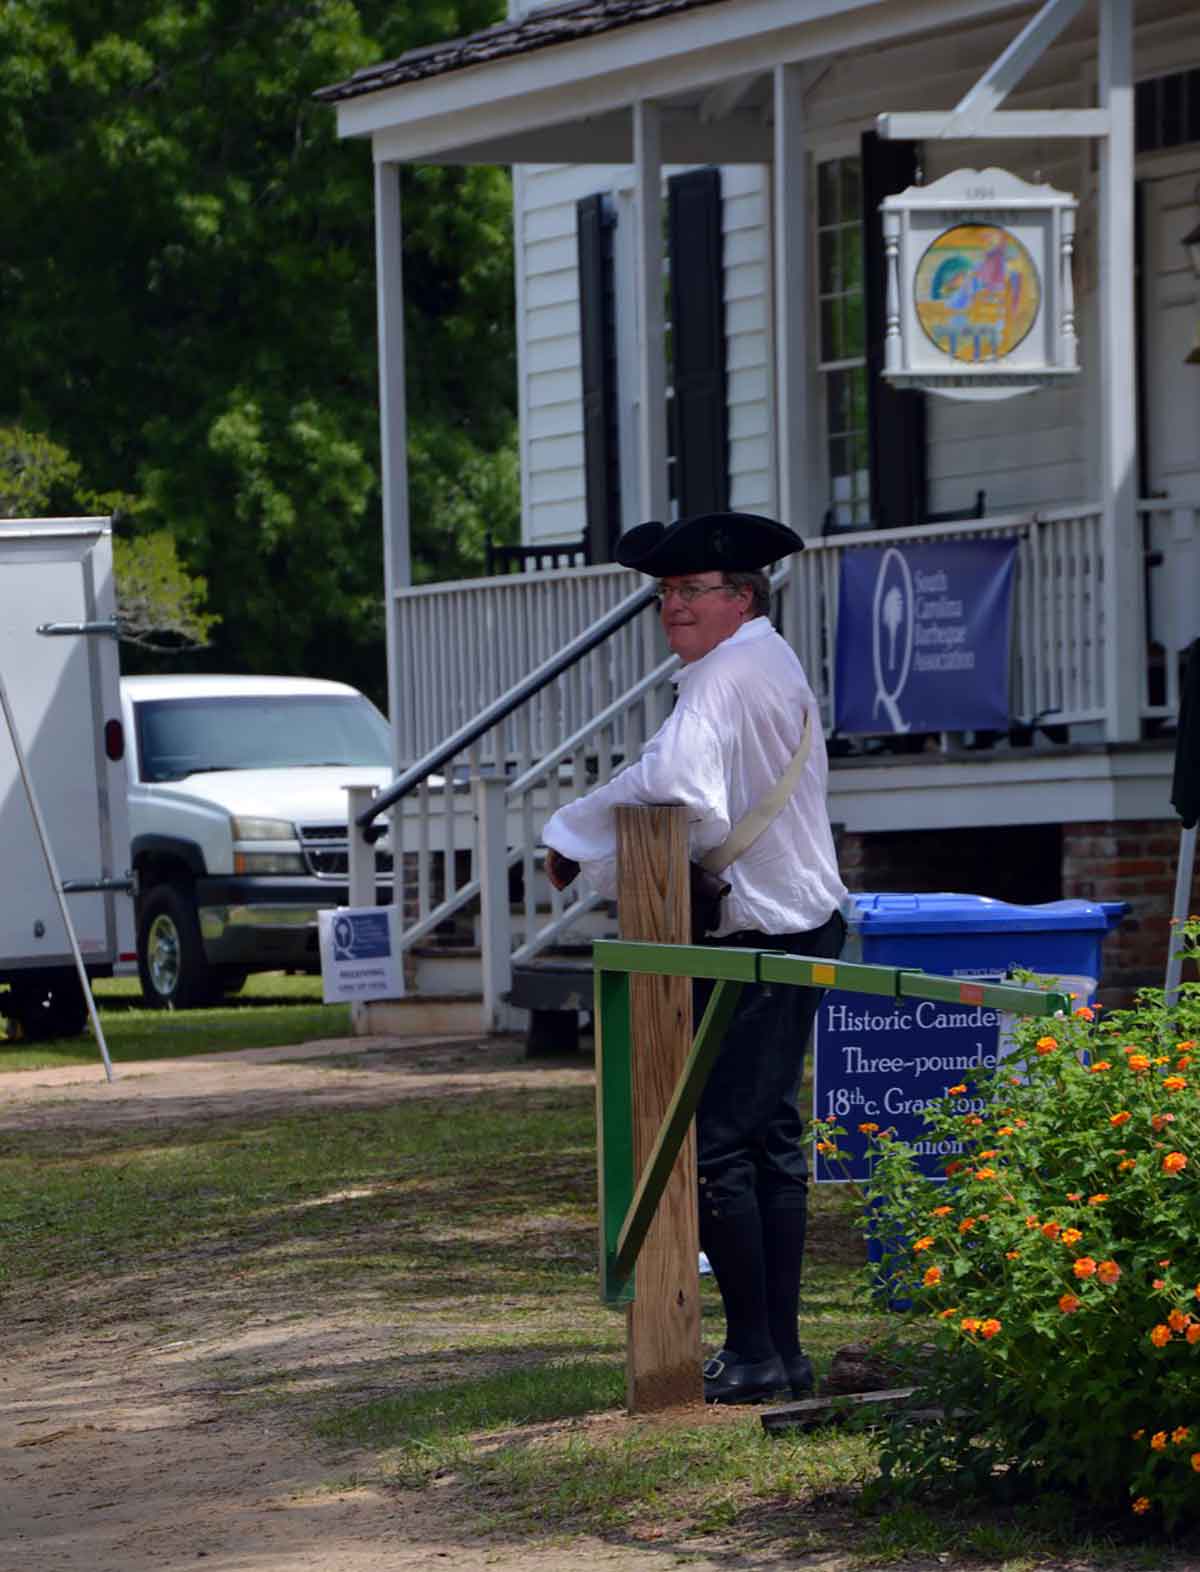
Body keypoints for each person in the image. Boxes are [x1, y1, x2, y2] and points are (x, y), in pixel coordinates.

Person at [541, 510, 847, 1404]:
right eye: (665, 594)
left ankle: (757, 1354)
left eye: (690, 591)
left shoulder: (721, 675)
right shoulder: (766, 658)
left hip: (764, 930)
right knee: (770, 1140)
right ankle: (777, 1353)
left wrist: (569, 834)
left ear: (740, 596)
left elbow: (676, 789)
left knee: (717, 1146)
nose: (673, 608)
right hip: (799, 919)